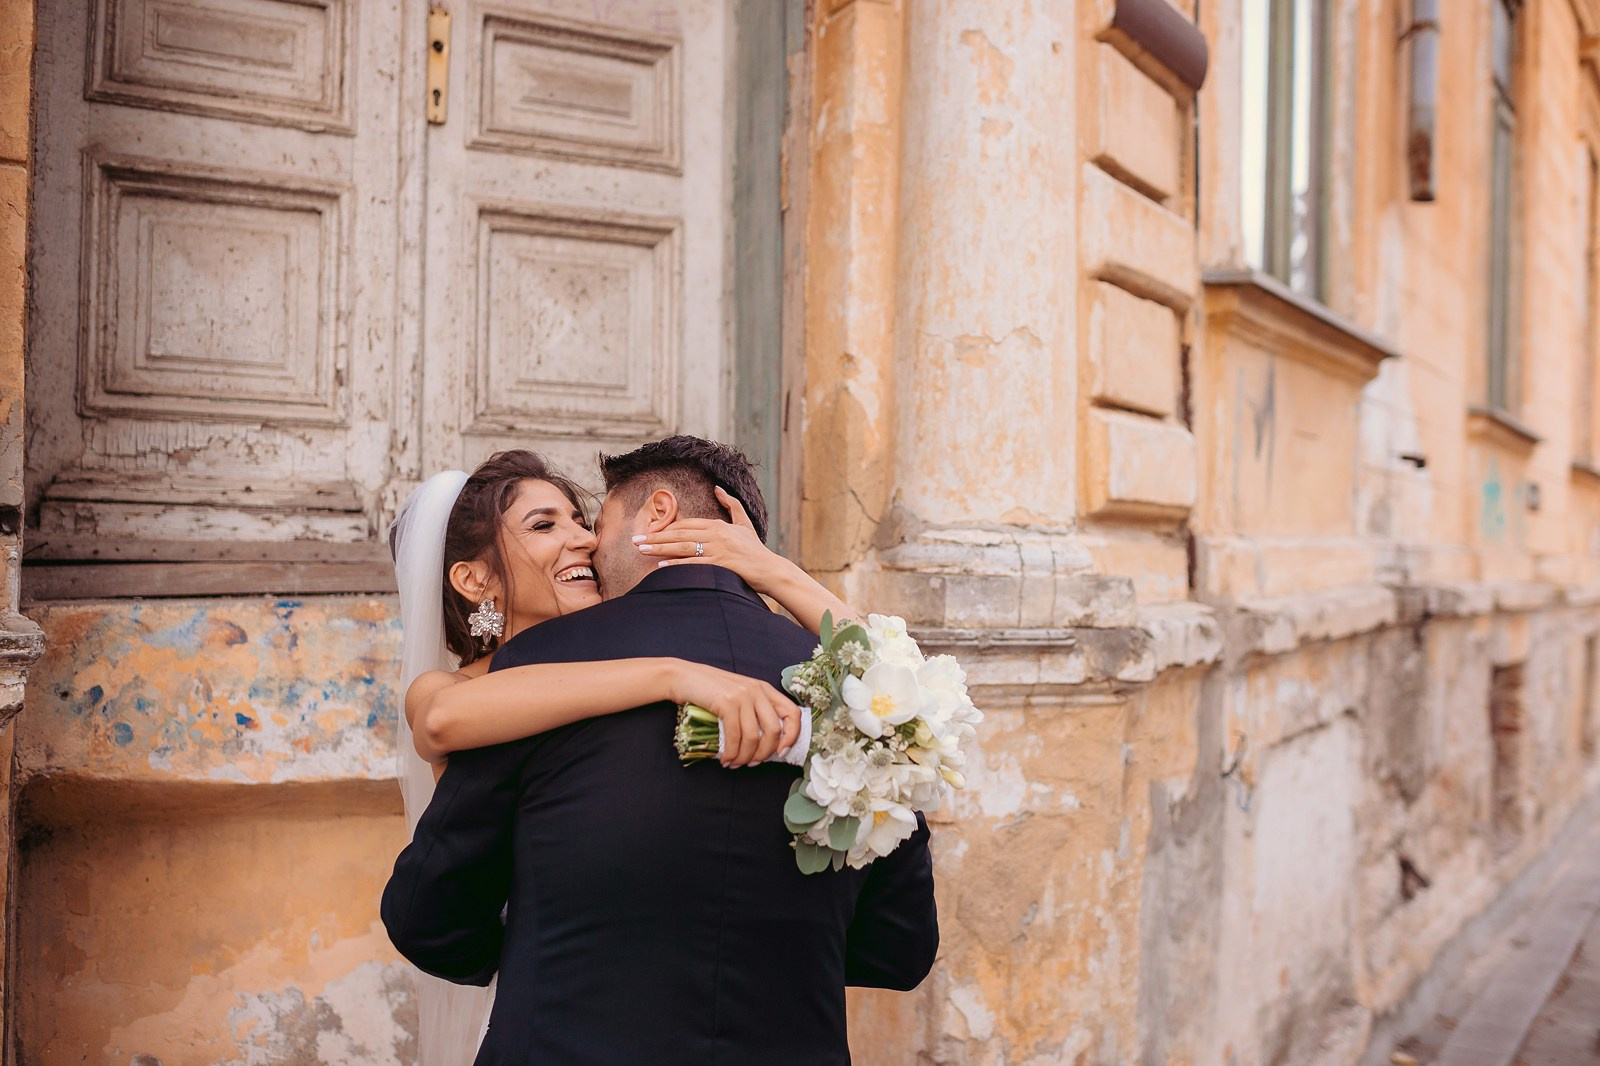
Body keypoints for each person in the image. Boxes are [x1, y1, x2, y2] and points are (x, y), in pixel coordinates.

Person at [383, 436, 939, 1065]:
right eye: (549, 525)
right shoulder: (858, 692)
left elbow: (430, 917)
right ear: (472, 578)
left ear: (659, 513)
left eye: (590, 519)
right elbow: (898, 949)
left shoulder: (543, 664)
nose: (587, 541)